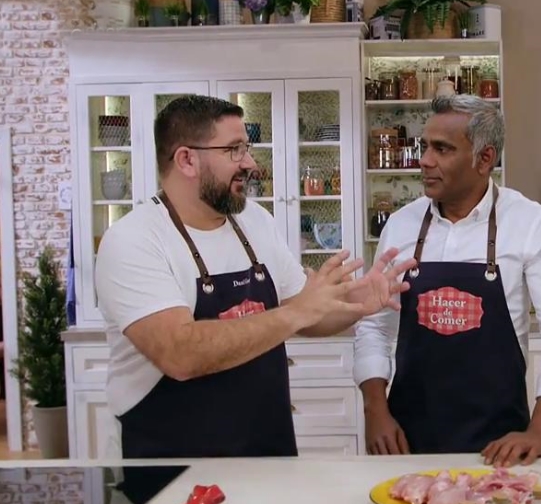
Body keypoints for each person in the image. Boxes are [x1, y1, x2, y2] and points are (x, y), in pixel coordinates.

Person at [95, 95, 415, 459]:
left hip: (267, 454)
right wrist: (295, 313)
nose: (250, 163)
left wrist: (357, 302)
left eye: (246, 148)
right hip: (170, 467)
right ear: (186, 160)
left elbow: (308, 312)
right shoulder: (134, 240)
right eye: (234, 150)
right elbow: (180, 354)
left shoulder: (255, 222)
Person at [354, 95, 541, 466]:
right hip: (406, 442)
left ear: (484, 158)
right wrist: (375, 412)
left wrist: (540, 431)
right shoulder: (400, 225)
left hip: (500, 448)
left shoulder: (530, 223)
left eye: (442, 149)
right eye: (425, 146)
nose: (425, 160)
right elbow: (374, 327)